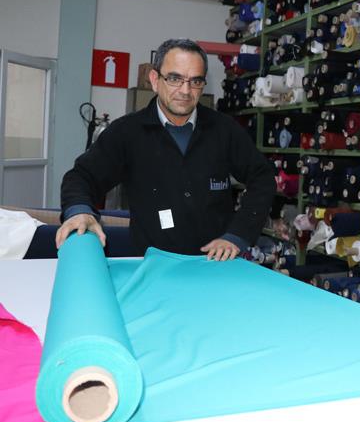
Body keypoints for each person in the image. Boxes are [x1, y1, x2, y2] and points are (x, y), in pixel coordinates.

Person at [56, 38, 274, 261]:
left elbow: (263, 177)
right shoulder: (127, 132)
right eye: (175, 79)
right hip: (153, 264)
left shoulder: (224, 129)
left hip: (215, 264)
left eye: (195, 81)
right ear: (154, 80)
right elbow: (82, 176)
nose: (185, 91)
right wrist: (80, 211)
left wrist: (237, 235)